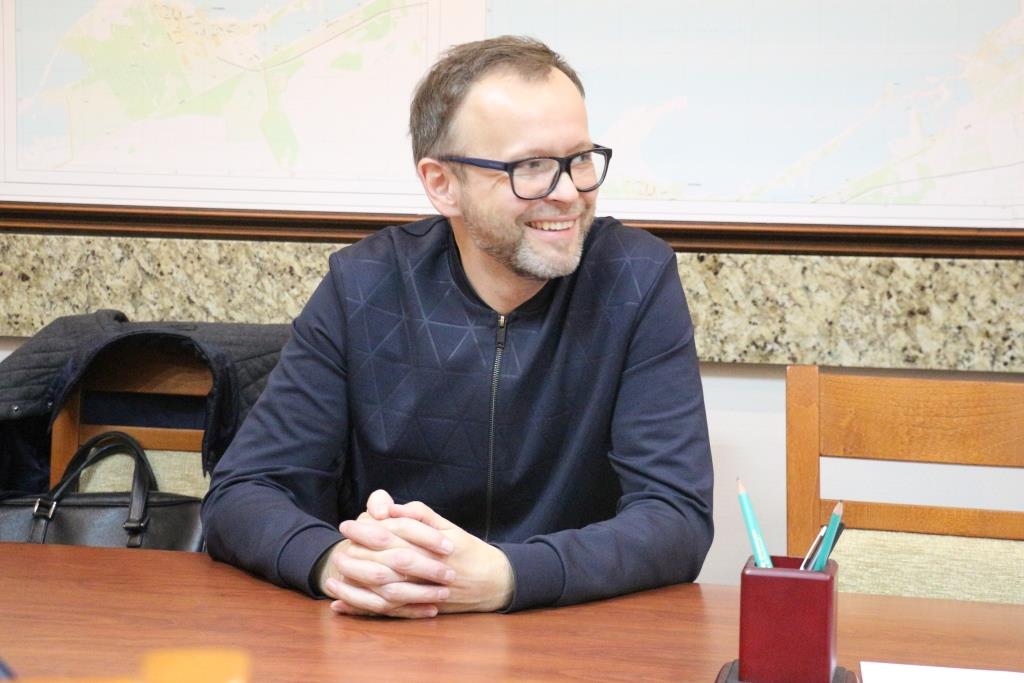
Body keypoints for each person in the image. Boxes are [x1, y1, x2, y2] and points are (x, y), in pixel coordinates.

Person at [201, 35, 713, 618]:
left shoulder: (636, 279)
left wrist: (507, 576)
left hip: (563, 629)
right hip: (382, 632)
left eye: (579, 159)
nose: (569, 192)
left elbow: (676, 517)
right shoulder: (363, 284)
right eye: (531, 167)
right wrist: (336, 564)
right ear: (442, 184)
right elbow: (242, 493)